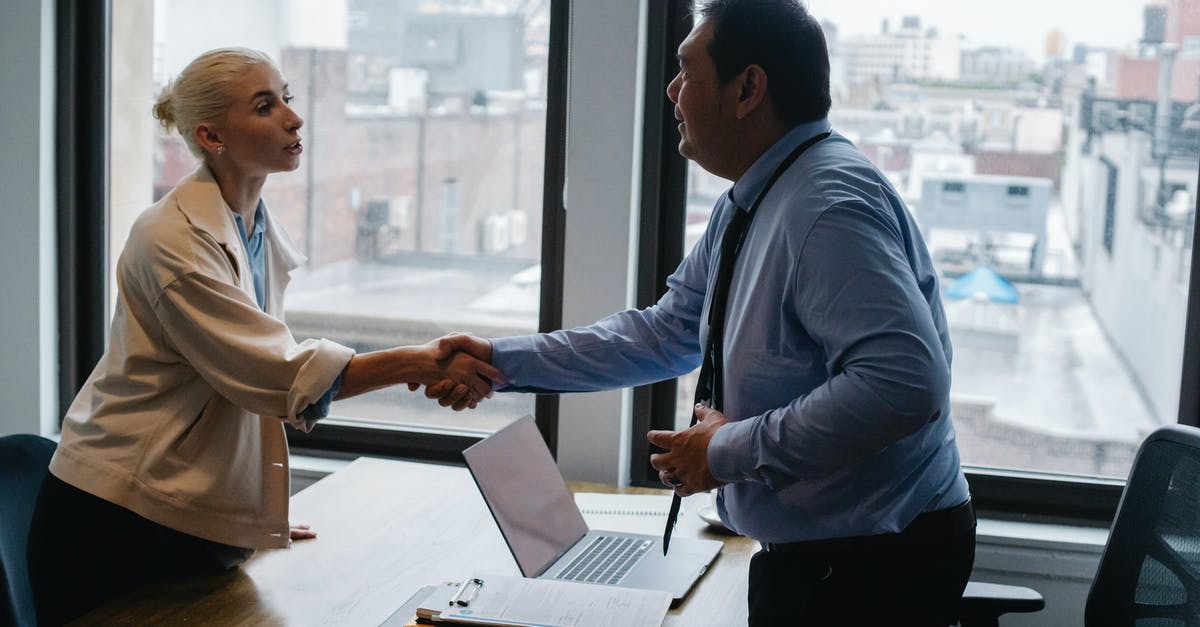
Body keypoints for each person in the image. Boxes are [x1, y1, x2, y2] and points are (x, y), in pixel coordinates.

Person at [432, 1, 974, 624]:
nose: (671, 90)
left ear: (747, 89)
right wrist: (500, 362)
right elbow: (666, 333)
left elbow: (904, 386)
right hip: (826, 554)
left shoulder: (827, 208)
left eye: (687, 71)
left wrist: (724, 452)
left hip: (868, 567)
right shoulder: (756, 197)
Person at [25, 47, 501, 626]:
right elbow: (273, 375)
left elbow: (247, 380)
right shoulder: (171, 240)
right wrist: (422, 363)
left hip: (181, 509)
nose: (293, 119)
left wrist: (246, 512)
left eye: (287, 99)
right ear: (211, 135)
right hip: (119, 518)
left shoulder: (249, 222)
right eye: (264, 106)